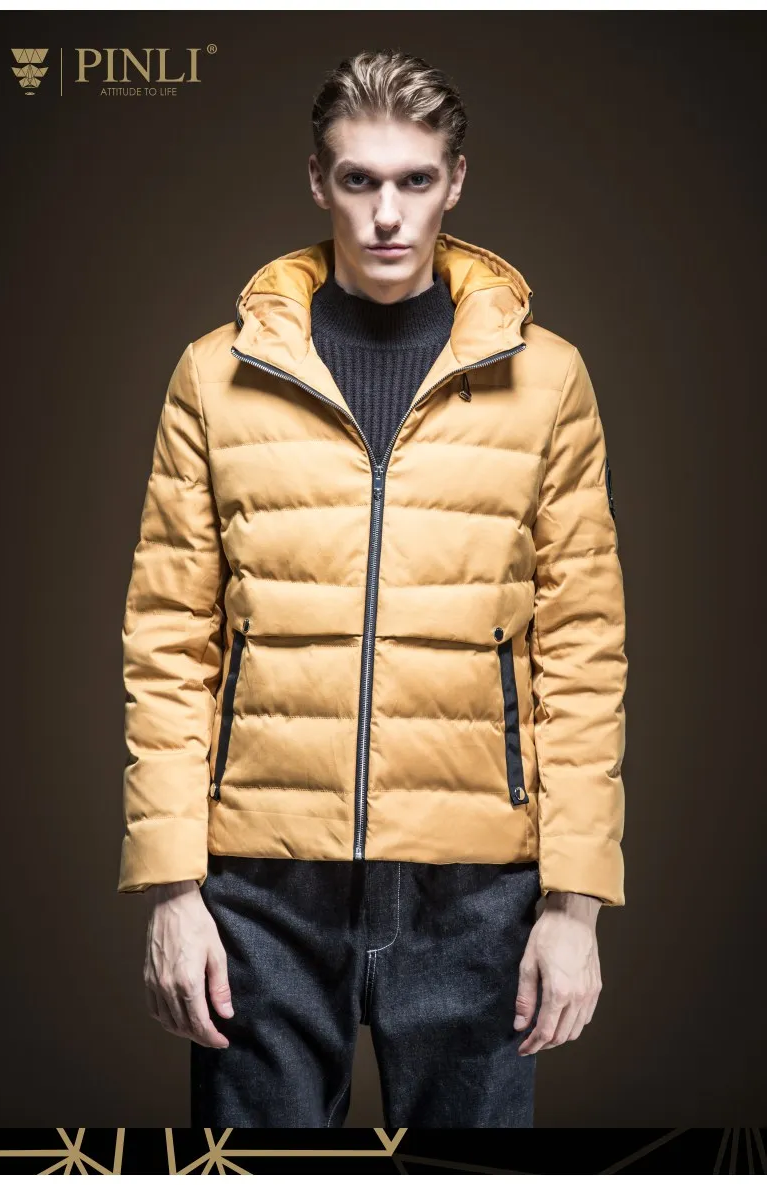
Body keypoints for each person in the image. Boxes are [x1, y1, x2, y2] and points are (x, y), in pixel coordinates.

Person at [118, 49, 628, 1129]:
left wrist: (575, 905)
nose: (386, 214)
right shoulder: (214, 375)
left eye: (413, 180)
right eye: (358, 180)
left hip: (477, 893)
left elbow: (583, 650)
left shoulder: (550, 381)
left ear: (455, 181)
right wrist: (171, 888)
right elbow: (167, 642)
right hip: (259, 887)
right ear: (318, 180)